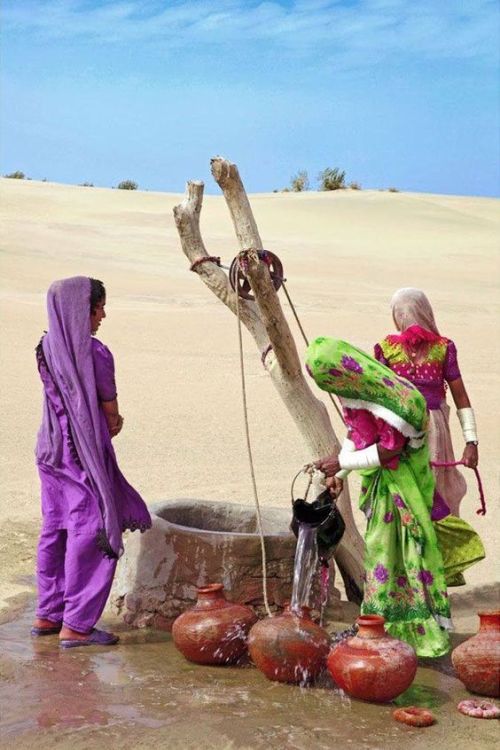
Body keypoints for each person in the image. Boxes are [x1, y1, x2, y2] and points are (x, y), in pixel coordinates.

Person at [306, 337, 451, 658]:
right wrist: (338, 475)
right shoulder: (359, 386)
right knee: (381, 551)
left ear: (342, 374)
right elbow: (356, 432)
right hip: (384, 485)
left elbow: (390, 449)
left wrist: (341, 463)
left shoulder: (396, 399)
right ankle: (378, 622)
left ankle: (403, 628)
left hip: (405, 484)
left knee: (400, 551)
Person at [31, 276, 152, 647]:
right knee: (95, 529)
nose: (103, 315)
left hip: (50, 450)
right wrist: (113, 423)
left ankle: (48, 615)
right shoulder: (94, 353)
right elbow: (109, 411)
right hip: (81, 455)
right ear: (81, 311)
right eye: (98, 308)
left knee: (57, 526)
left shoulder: (47, 346)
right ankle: (77, 625)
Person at [375, 288, 484, 585]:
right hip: (428, 433)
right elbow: (461, 396)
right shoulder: (436, 347)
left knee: (423, 498)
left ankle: (427, 575)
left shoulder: (435, 348)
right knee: (416, 498)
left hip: (400, 436)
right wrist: (470, 441)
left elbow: (377, 398)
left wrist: (472, 442)